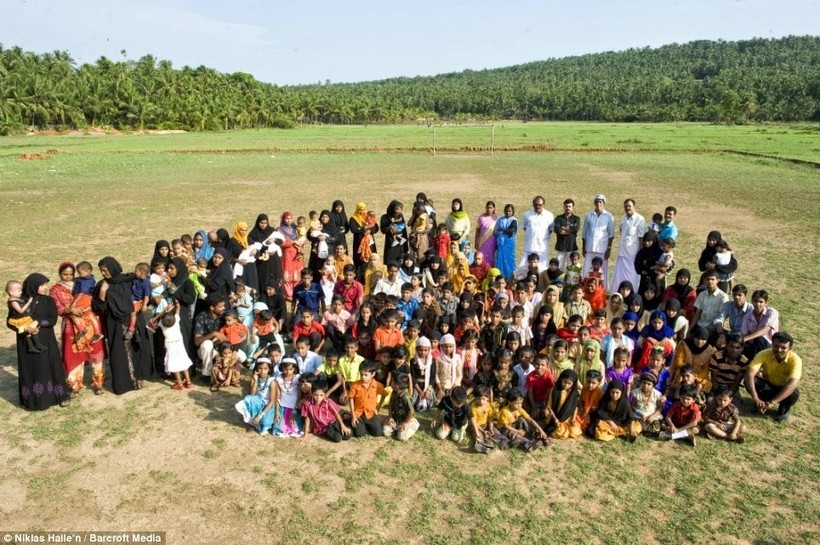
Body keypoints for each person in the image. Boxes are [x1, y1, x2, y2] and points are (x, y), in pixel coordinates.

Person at [8, 273, 70, 410]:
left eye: (46, 284)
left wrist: (38, 322)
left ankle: (61, 395)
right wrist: (23, 328)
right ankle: (34, 400)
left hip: (46, 339)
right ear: (33, 286)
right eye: (42, 285)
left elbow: (52, 320)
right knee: (32, 368)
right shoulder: (20, 301)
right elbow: (10, 322)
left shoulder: (49, 301)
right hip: (26, 340)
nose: (45, 288)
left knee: (50, 366)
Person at [94, 257, 152, 394]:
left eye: (106, 270)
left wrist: (142, 304)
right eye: (101, 271)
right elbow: (98, 308)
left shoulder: (128, 279)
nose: (104, 273)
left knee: (136, 349)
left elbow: (143, 291)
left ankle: (138, 377)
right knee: (120, 354)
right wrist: (102, 293)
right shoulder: (102, 285)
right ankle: (125, 383)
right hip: (115, 323)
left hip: (134, 319)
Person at [50, 262, 106, 396]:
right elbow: (57, 307)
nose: (68, 277)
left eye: (71, 274)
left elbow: (94, 298)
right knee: (73, 354)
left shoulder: (82, 282)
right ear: (59, 274)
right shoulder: (55, 290)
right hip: (70, 324)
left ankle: (98, 383)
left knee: (96, 352)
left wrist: (88, 307)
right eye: (65, 274)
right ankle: (74, 384)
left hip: (90, 322)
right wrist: (70, 309)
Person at [744, 331, 801, 423]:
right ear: (772, 344)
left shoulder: (795, 360)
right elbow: (749, 374)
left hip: (784, 389)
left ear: (790, 348)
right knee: (751, 380)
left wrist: (772, 403)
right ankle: (759, 403)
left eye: (783, 348)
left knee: (794, 392)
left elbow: (793, 384)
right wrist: (755, 397)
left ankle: (782, 411)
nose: (779, 350)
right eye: (776, 346)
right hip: (768, 386)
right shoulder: (763, 354)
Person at [150, 301, 193, 390]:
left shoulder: (162, 324)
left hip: (170, 346)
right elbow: (178, 310)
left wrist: (165, 311)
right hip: (180, 344)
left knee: (174, 364)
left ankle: (180, 383)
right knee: (183, 361)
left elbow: (156, 319)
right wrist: (176, 305)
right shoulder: (176, 320)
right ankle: (188, 381)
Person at [610, 198, 646, 293]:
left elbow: (641, 238)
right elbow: (622, 231)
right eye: (626, 206)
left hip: (632, 254)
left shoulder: (640, 219)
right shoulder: (623, 218)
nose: (627, 208)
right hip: (622, 252)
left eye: (629, 206)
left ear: (634, 206)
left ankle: (630, 292)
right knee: (619, 274)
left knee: (631, 275)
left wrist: (641, 254)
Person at [235, 358, 277, 435]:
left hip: (268, 406)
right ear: (256, 369)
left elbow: (272, 401)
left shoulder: (272, 381)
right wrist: (255, 380)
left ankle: (257, 419)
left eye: (265, 369)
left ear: (269, 369)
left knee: (264, 424)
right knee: (250, 399)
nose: (262, 371)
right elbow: (252, 395)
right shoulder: (255, 378)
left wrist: (260, 416)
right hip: (257, 402)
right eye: (260, 368)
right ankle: (252, 423)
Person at [581, 194, 615, 287]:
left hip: (602, 249)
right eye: (597, 201)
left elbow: (611, 235)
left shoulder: (609, 217)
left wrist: (609, 249)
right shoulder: (589, 215)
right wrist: (583, 247)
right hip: (590, 248)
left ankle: (603, 290)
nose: (598, 203)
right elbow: (584, 233)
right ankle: (584, 288)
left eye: (600, 202)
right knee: (587, 270)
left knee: (602, 271)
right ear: (594, 203)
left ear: (604, 203)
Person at [347, 360, 387, 438]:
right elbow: (351, 398)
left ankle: (367, 424)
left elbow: (384, 395)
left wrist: (378, 407)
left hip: (370, 413)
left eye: (366, 375)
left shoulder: (377, 385)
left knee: (377, 433)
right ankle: (350, 419)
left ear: (373, 374)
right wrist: (353, 415)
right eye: (361, 374)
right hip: (358, 413)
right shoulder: (355, 385)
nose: (363, 377)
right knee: (359, 434)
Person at [6, 279, 47, 353]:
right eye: (19, 291)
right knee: (28, 332)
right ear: (11, 292)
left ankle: (36, 345)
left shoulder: (17, 299)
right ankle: (32, 346)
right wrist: (28, 302)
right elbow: (20, 311)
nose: (21, 292)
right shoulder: (13, 301)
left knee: (33, 330)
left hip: (24, 318)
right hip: (19, 320)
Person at [517, 196, 554, 274]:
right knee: (523, 268)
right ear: (533, 204)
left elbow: (550, 229)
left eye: (540, 205)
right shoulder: (527, 215)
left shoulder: (549, 215)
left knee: (542, 270)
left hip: (542, 248)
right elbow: (525, 227)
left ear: (543, 205)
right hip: (529, 247)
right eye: (536, 204)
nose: (537, 206)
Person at [543, 369, 582, 439]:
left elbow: (575, 407)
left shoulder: (574, 393)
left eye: (569, 383)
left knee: (575, 432)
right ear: (561, 379)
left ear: (573, 384)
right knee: (561, 433)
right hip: (555, 416)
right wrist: (555, 419)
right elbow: (549, 406)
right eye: (564, 382)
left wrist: (573, 418)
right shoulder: (555, 390)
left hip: (568, 418)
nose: (566, 385)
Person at [740, 289, 779, 360]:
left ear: (766, 303)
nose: (758, 304)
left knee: (759, 339)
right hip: (751, 344)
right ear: (752, 301)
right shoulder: (747, 316)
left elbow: (765, 331)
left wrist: (746, 338)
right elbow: (743, 334)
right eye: (755, 301)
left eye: (761, 302)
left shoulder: (772, 313)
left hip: (769, 345)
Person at [690, 271, 729, 338]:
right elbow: (697, 314)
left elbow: (723, 317)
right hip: (700, 325)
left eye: (712, 279)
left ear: (718, 280)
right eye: (708, 279)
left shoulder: (723, 297)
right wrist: (689, 330)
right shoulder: (701, 295)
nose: (710, 281)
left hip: (714, 328)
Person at [383, 372, 420, 441]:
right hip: (396, 418)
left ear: (397, 385)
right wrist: (390, 416)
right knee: (385, 431)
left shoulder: (406, 397)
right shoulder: (393, 393)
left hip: (406, 419)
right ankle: (397, 428)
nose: (391, 383)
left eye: (392, 382)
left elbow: (411, 412)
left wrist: (405, 422)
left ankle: (413, 424)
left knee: (401, 437)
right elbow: (390, 405)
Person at [272, 359, 304, 437]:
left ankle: (294, 430)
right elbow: (278, 395)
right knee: (280, 420)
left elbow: (299, 395)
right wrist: (277, 411)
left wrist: (295, 410)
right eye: (285, 369)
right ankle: (282, 431)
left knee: (293, 420)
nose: (288, 371)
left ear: (295, 369)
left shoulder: (297, 378)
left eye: (291, 369)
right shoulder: (278, 378)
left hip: (295, 404)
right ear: (282, 368)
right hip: (283, 403)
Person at [553, 198, 580, 272]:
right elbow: (557, 230)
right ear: (564, 207)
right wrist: (569, 230)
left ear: (573, 207)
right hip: (560, 247)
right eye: (566, 206)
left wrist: (563, 228)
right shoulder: (558, 218)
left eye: (569, 206)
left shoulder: (576, 219)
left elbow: (575, 230)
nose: (568, 208)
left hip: (571, 247)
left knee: (571, 268)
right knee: (558, 267)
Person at [380, 200, 408, 265]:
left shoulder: (400, 216)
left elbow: (403, 229)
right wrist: (389, 227)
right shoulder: (385, 217)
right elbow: (383, 230)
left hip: (400, 243)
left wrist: (406, 245)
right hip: (391, 243)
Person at [475, 201, 498, 268]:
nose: (489, 209)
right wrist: (476, 241)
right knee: (481, 256)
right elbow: (478, 230)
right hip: (482, 241)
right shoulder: (481, 217)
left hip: (492, 242)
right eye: (487, 207)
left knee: (491, 256)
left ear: (494, 208)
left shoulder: (496, 218)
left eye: (491, 208)